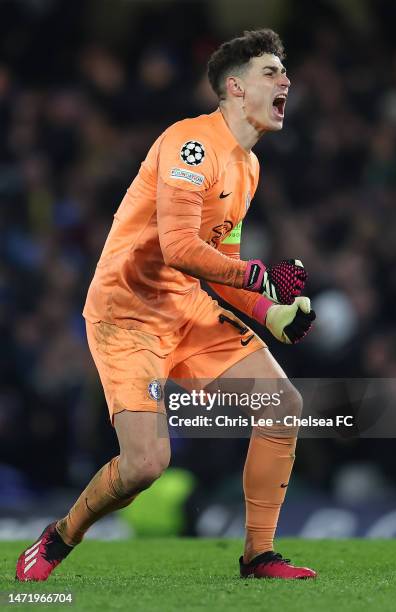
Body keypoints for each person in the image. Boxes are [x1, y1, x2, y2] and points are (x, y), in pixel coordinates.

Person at [16, 28, 316, 582]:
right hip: (125, 312)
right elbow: (179, 248)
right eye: (271, 72)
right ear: (234, 87)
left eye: (284, 71)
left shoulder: (248, 167)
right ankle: (58, 538)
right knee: (146, 465)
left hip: (184, 308)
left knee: (283, 405)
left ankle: (259, 555)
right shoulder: (190, 145)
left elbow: (220, 265)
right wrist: (256, 275)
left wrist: (270, 312)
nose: (286, 81)